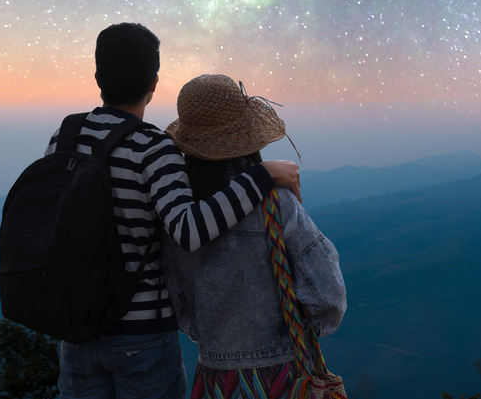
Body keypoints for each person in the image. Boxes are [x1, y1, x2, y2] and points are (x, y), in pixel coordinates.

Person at [53, 23, 301, 399]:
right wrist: (261, 176)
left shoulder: (66, 136)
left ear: (97, 77)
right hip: (140, 338)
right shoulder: (152, 147)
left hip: (76, 335)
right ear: (153, 84)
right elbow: (189, 230)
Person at [163, 74, 347, 399]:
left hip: (215, 379)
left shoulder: (180, 215)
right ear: (248, 139)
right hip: (282, 377)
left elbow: (178, 297)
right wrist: (301, 329)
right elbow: (328, 294)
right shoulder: (276, 204)